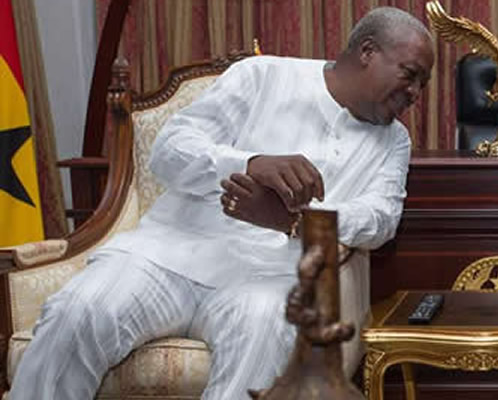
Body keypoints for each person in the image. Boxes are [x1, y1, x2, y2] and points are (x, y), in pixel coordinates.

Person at [10, 7, 434, 400]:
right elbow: (169, 150)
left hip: (267, 278)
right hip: (171, 255)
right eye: (410, 74)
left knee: (268, 330)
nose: (415, 93)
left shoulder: (393, 141)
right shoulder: (263, 76)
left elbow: (380, 220)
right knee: (77, 312)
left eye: (423, 83)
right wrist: (250, 164)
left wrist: (294, 221)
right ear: (367, 52)